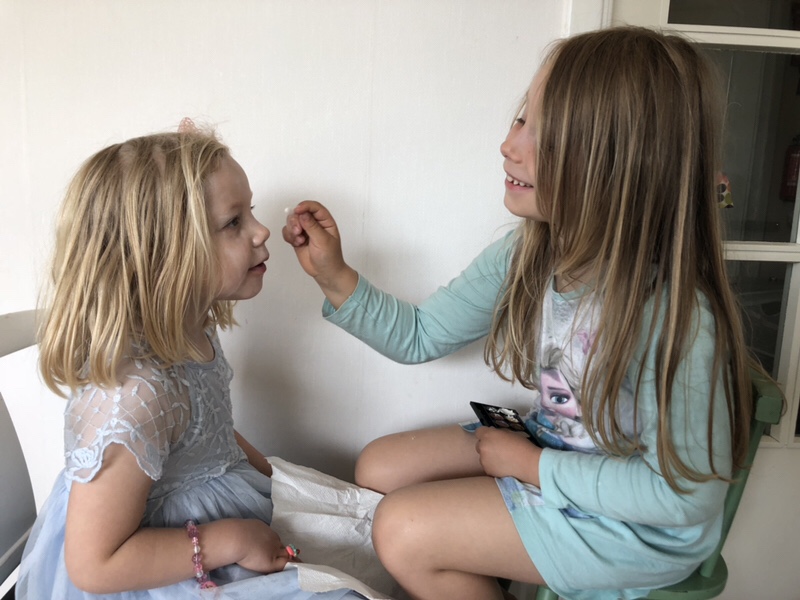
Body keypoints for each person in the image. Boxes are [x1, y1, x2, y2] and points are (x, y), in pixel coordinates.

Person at [282, 27, 763, 600]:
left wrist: (532, 468)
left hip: (638, 529)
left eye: (547, 137)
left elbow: (684, 497)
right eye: (520, 119)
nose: (509, 145)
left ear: (622, 169)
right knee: (377, 468)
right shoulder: (529, 252)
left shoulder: (678, 320)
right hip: (557, 447)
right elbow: (420, 334)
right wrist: (334, 274)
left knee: (402, 530)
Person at [18, 123, 365, 600]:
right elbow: (93, 566)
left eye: (251, 212)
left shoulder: (191, 330)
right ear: (162, 255)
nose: (262, 230)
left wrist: (280, 483)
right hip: (154, 567)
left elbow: (207, 435)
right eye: (234, 222)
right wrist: (232, 540)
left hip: (216, 517)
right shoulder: (134, 396)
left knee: (358, 534)